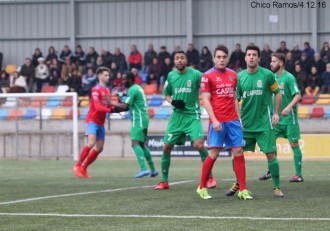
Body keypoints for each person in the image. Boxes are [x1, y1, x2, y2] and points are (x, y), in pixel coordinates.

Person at [196, 44, 252, 200]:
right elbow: (205, 100)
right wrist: (213, 120)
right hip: (218, 121)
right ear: (214, 59)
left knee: (239, 152)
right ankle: (201, 187)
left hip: (233, 120)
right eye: (218, 57)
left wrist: (239, 119)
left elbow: (234, 98)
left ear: (227, 58)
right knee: (214, 153)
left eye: (224, 57)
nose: (221, 60)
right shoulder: (207, 76)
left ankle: (243, 189)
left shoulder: (234, 75)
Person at [228, 44, 284, 198]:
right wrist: (237, 119)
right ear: (245, 58)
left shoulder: (267, 75)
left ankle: (277, 187)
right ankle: (239, 183)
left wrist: (276, 113)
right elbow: (235, 99)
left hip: (265, 124)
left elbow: (278, 93)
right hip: (245, 125)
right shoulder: (239, 77)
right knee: (236, 154)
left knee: (271, 155)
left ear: (259, 58)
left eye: (254, 55)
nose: (251, 57)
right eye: (249, 55)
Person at [154, 50, 216, 190]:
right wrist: (173, 102)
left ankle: (210, 177)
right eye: (177, 58)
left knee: (199, 145)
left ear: (186, 60)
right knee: (166, 147)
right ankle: (164, 181)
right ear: (174, 61)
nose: (180, 60)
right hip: (176, 117)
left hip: (192, 116)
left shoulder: (195, 74)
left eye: (182, 58)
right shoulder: (171, 75)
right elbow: (166, 95)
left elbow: (208, 85)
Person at [258, 53, 303, 183]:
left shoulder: (289, 78)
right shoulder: (271, 78)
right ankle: (271, 171)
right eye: (271, 61)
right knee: (270, 144)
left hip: (289, 119)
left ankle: (298, 175)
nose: (271, 64)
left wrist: (288, 108)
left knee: (294, 144)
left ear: (281, 63)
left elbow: (297, 96)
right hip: (275, 118)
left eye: (273, 61)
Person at [108, 72, 159, 178]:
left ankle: (144, 169)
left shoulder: (133, 89)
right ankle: (153, 170)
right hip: (143, 118)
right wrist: (113, 109)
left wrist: (111, 103)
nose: (122, 82)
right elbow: (126, 107)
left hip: (139, 119)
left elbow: (125, 105)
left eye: (124, 79)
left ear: (130, 79)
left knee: (135, 143)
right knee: (141, 145)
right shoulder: (137, 88)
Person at [73, 67, 112, 178]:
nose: (108, 77)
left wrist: (116, 107)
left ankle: (84, 168)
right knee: (91, 143)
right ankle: (77, 165)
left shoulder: (108, 90)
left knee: (99, 148)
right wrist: (111, 109)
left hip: (101, 122)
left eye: (108, 75)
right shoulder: (95, 89)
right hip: (92, 120)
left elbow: (108, 105)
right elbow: (99, 107)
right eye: (105, 75)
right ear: (99, 76)